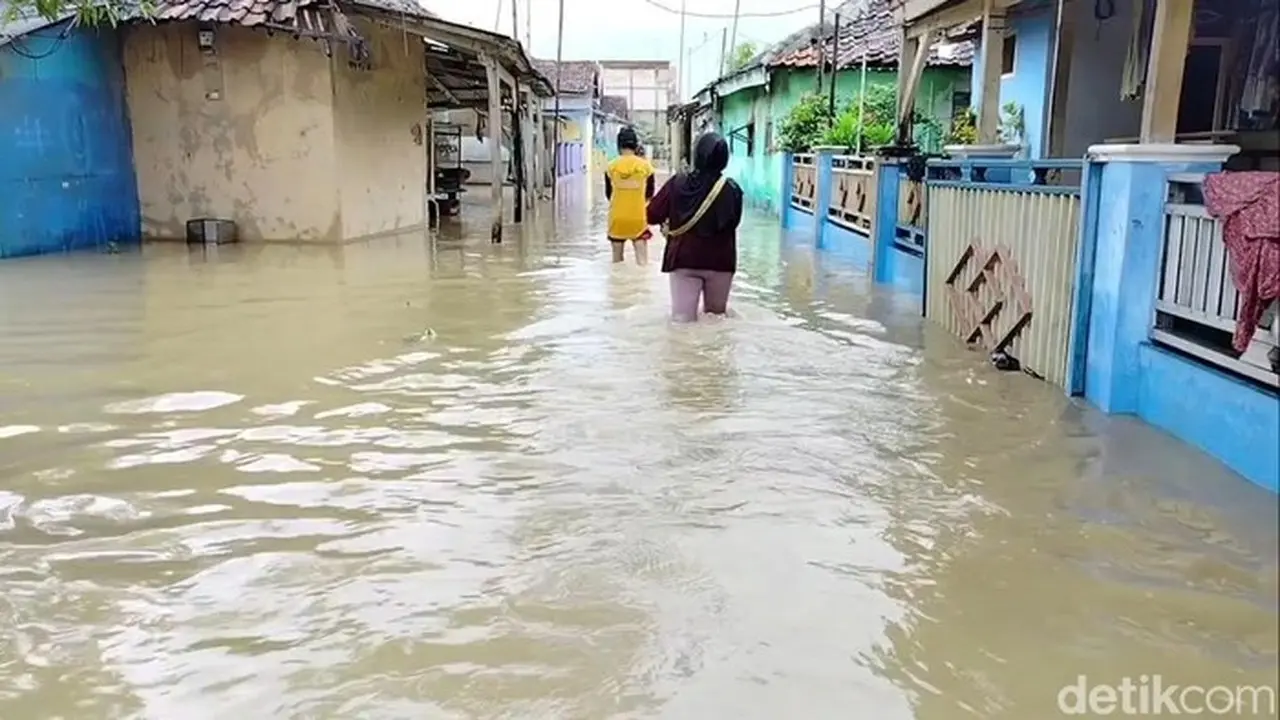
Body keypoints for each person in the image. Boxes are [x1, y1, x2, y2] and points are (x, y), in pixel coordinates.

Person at [645, 132, 743, 322]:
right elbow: (733, 223)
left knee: (682, 322)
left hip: (684, 260)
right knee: (716, 321)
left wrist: (670, 223)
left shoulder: (677, 183)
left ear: (696, 155)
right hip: (721, 262)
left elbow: (652, 214)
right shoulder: (732, 189)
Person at [604, 127, 656, 265]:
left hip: (617, 219)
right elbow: (650, 194)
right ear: (635, 144)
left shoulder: (610, 167)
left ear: (619, 144)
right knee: (643, 263)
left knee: (616, 262)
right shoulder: (646, 167)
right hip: (638, 218)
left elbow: (609, 195)